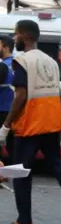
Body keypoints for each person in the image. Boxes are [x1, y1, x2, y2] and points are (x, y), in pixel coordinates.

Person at [0, 20, 61, 224]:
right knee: (58, 166)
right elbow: (58, 93)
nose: (14, 38)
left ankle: (24, 221)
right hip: (51, 124)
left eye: (16, 35)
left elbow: (21, 95)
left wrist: (6, 126)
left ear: (25, 36)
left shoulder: (22, 61)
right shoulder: (51, 61)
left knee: (20, 172)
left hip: (30, 125)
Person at [0, 36, 15, 166]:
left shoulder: (3, 66)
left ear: (6, 48)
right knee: (13, 149)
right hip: (14, 112)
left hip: (1, 111)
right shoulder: (17, 63)